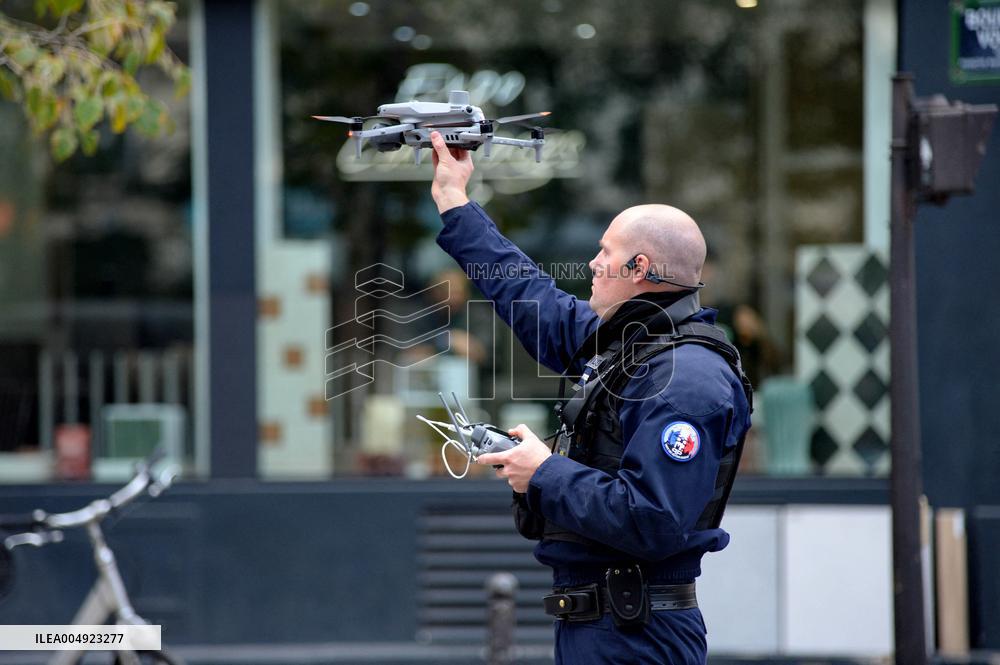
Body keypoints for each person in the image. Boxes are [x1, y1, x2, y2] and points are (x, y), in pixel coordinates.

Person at [428, 131, 752, 664]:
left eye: (606, 253)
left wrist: (545, 471)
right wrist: (455, 203)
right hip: (603, 626)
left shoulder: (687, 379)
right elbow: (531, 297)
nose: (593, 264)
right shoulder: (633, 345)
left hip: (635, 635)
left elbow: (654, 520)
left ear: (639, 268)